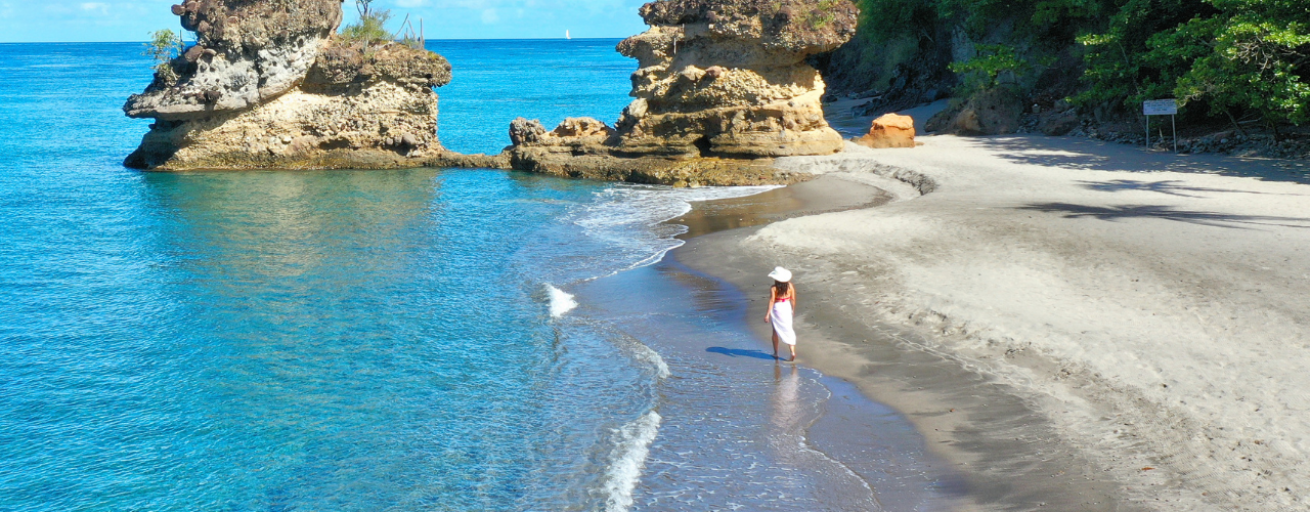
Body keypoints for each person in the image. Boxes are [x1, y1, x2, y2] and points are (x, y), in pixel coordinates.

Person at [764, 267, 797, 361]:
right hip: (787, 307)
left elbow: (771, 301)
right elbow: (793, 299)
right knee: (788, 329)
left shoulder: (774, 288)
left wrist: (767, 314)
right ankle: (792, 351)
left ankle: (776, 353)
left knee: (775, 330)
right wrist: (793, 310)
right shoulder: (790, 286)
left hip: (777, 307)